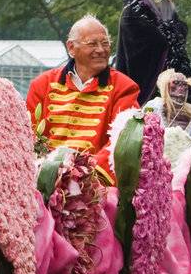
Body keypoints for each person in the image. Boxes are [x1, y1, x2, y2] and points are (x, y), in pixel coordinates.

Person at [25, 15, 140, 171]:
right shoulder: (42, 85)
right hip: (44, 177)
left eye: (105, 43)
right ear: (71, 48)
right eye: (92, 44)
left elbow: (122, 142)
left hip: (95, 181)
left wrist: (85, 173)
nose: (101, 50)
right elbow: (28, 135)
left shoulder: (124, 87)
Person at [115, 0, 191, 107]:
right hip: (143, 91)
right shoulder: (132, 14)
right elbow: (158, 43)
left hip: (170, 92)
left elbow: (179, 35)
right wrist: (171, 34)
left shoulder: (167, 15)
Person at [142, 68, 191, 139]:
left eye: (184, 84)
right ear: (166, 85)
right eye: (176, 82)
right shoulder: (153, 106)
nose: (181, 87)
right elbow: (142, 129)